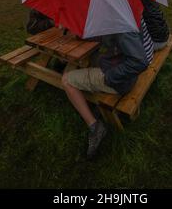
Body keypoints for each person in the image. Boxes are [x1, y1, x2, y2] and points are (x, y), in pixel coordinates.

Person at [62, 18, 154, 159]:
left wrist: (109, 77)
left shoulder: (123, 26)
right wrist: (81, 35)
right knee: (91, 60)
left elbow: (140, 62)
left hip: (119, 81)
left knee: (66, 79)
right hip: (120, 71)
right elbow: (107, 35)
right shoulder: (122, 15)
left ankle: (94, 126)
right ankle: (94, 106)